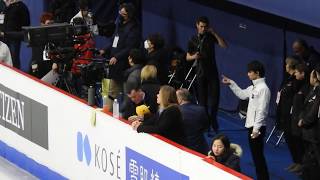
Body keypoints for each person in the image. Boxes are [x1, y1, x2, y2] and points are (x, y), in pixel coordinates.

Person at [222, 60, 270, 180]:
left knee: (258, 156)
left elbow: (262, 111)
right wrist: (231, 83)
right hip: (251, 126)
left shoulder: (263, 89)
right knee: (256, 156)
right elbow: (242, 94)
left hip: (256, 128)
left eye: (250, 72)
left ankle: (263, 178)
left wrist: (256, 129)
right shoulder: (253, 86)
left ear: (257, 73)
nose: (248, 74)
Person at [186, 16, 227, 132]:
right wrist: (195, 56)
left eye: (205, 27)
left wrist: (214, 33)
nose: (203, 29)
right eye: (201, 26)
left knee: (214, 100)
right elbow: (188, 57)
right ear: (197, 25)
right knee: (202, 102)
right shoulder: (192, 39)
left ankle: (213, 119)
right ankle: (205, 123)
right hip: (200, 73)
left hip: (212, 72)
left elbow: (224, 45)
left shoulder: (210, 37)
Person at [100, 3, 141, 112]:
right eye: (120, 13)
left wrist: (117, 57)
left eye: (124, 14)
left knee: (128, 95)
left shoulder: (134, 29)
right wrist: (105, 49)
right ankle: (106, 112)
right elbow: (114, 41)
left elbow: (129, 47)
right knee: (111, 92)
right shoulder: (119, 25)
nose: (121, 15)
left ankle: (125, 116)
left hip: (125, 67)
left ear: (129, 15)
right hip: (115, 67)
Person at [286, 63, 309, 174]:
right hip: (294, 118)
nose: (294, 73)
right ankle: (298, 162)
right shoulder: (299, 84)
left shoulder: (307, 87)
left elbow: (306, 106)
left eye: (297, 72)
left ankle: (303, 166)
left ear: (303, 73)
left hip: (300, 121)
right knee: (295, 142)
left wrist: (301, 118)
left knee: (301, 145)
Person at [298, 69, 320, 179]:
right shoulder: (312, 90)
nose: (309, 78)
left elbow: (313, 112)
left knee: (315, 160)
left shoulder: (318, 92)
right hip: (307, 133)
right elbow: (304, 107)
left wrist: (304, 121)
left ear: (316, 78)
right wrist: (301, 117)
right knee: (308, 159)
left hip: (314, 133)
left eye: (311, 76)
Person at [176, 88, 209, 154]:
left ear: (180, 99)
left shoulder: (176, 110)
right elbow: (206, 127)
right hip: (200, 146)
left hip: (182, 147)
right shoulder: (201, 109)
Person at [0, 0, 30, 69]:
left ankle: (16, 74)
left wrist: (19, 34)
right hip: (4, 37)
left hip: (14, 38)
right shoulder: (8, 7)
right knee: (4, 57)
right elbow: (4, 21)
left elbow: (26, 24)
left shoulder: (22, 6)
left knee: (14, 58)